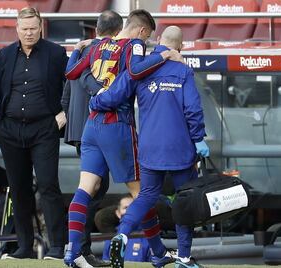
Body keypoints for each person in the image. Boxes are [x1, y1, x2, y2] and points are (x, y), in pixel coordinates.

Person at [64, 9, 182, 268]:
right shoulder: (135, 45)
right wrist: (164, 54)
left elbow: (71, 72)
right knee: (143, 193)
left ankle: (72, 251)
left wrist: (77, 49)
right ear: (142, 31)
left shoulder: (98, 45)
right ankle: (159, 252)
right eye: (149, 36)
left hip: (91, 125)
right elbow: (136, 70)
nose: (148, 41)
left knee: (86, 188)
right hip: (116, 124)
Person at [89, 26, 210, 268]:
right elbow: (193, 109)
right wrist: (199, 138)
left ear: (157, 40)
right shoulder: (183, 71)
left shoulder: (142, 68)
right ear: (181, 46)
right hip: (181, 149)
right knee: (183, 201)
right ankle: (184, 258)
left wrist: (95, 101)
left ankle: (122, 234)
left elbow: (116, 94)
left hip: (149, 147)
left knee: (145, 196)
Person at [0, 7, 68, 260]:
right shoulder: (4, 55)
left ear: (40, 27)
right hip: (10, 129)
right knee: (19, 188)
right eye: (24, 29)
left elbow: (71, 84)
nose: (29, 33)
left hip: (44, 128)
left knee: (48, 186)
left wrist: (63, 113)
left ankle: (57, 247)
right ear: (17, 29)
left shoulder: (55, 53)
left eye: (33, 28)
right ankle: (23, 247)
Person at [61, 10, 124, 268]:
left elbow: (66, 91)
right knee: (92, 191)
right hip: (99, 127)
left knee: (93, 189)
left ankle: (78, 249)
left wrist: (67, 119)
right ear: (118, 31)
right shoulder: (112, 53)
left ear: (96, 28)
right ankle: (79, 250)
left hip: (79, 129)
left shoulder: (79, 53)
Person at [101, 194, 152, 263]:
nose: (129, 211)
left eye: (133, 207)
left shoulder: (148, 238)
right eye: (126, 207)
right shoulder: (110, 239)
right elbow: (106, 264)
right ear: (118, 213)